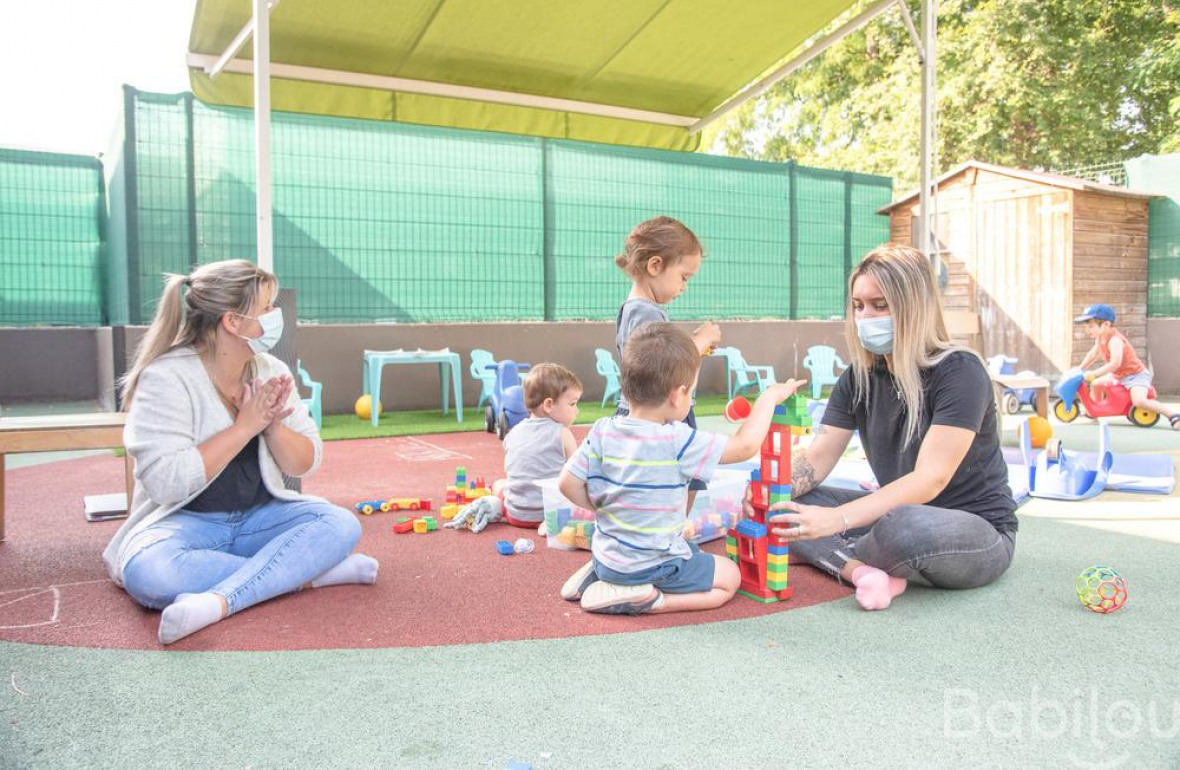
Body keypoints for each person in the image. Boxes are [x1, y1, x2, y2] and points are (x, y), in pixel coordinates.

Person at [103, 259, 377, 645]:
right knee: (152, 573)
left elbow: (305, 461)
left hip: (259, 520)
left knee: (341, 524)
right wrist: (244, 427)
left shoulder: (270, 369)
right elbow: (166, 483)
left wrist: (273, 427)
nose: (275, 314)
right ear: (233, 322)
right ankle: (307, 574)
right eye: (266, 307)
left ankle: (219, 601)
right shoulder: (166, 378)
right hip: (183, 524)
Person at [753, 244, 1019, 611]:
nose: (865, 317)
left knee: (904, 526)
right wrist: (770, 491)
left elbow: (930, 480)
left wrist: (838, 520)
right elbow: (818, 458)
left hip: (975, 531)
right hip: (892, 513)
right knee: (788, 505)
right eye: (858, 306)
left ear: (914, 307)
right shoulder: (857, 378)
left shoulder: (960, 371)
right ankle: (860, 571)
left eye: (880, 305)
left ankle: (830, 552)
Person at [558, 323, 805, 615]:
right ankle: (651, 600)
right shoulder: (677, 439)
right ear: (678, 395)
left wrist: (603, 506)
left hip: (608, 555)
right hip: (652, 564)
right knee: (729, 578)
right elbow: (745, 446)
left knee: (683, 548)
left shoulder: (602, 430)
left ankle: (603, 575)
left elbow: (566, 484)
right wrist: (768, 399)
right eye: (692, 392)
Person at [613, 216, 722, 512]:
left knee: (674, 484)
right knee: (674, 485)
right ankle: (668, 531)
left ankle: (666, 530)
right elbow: (658, 366)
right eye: (684, 277)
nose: (685, 286)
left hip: (659, 412)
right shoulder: (644, 312)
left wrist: (695, 350)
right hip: (658, 415)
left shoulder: (641, 310)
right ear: (655, 266)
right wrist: (698, 341)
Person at [446, 363, 583, 533]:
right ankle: (552, 522)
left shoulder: (512, 433)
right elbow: (577, 476)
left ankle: (495, 505)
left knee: (499, 484)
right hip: (548, 511)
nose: (577, 411)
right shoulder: (562, 434)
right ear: (548, 405)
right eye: (573, 404)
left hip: (515, 514)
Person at [1075, 303, 1178, 429]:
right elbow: (1093, 354)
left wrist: (1094, 373)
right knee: (1096, 384)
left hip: (1135, 376)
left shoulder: (1115, 340)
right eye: (1087, 327)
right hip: (1119, 375)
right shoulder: (1100, 337)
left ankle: (1173, 415)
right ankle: (1094, 412)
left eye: (1091, 326)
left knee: (1139, 401)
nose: (1087, 330)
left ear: (1106, 324)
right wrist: (1080, 368)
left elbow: (1115, 364)